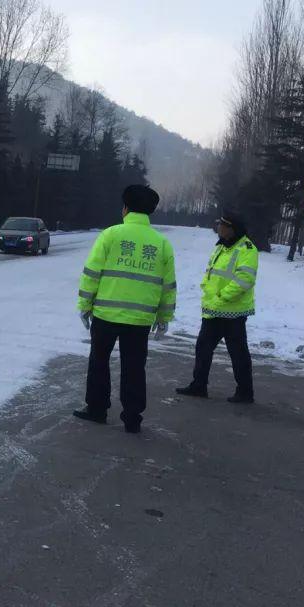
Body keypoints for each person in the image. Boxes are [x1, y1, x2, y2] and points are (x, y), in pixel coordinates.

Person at [74, 185, 177, 433]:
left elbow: (91, 273)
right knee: (134, 368)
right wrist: (164, 317)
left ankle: (97, 409)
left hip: (105, 315)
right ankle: (132, 418)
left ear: (126, 208)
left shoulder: (110, 235)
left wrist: (85, 305)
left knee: (99, 362)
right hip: (140, 320)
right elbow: (168, 286)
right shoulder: (161, 244)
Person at [176, 210, 258, 404]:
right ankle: (199, 385)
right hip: (214, 309)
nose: (218, 227)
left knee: (238, 353)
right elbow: (212, 273)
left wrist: (220, 297)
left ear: (232, 229)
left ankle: (245, 392)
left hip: (233, 312)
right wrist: (208, 292)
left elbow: (244, 280)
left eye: (222, 225)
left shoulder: (247, 249)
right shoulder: (221, 247)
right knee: (203, 348)